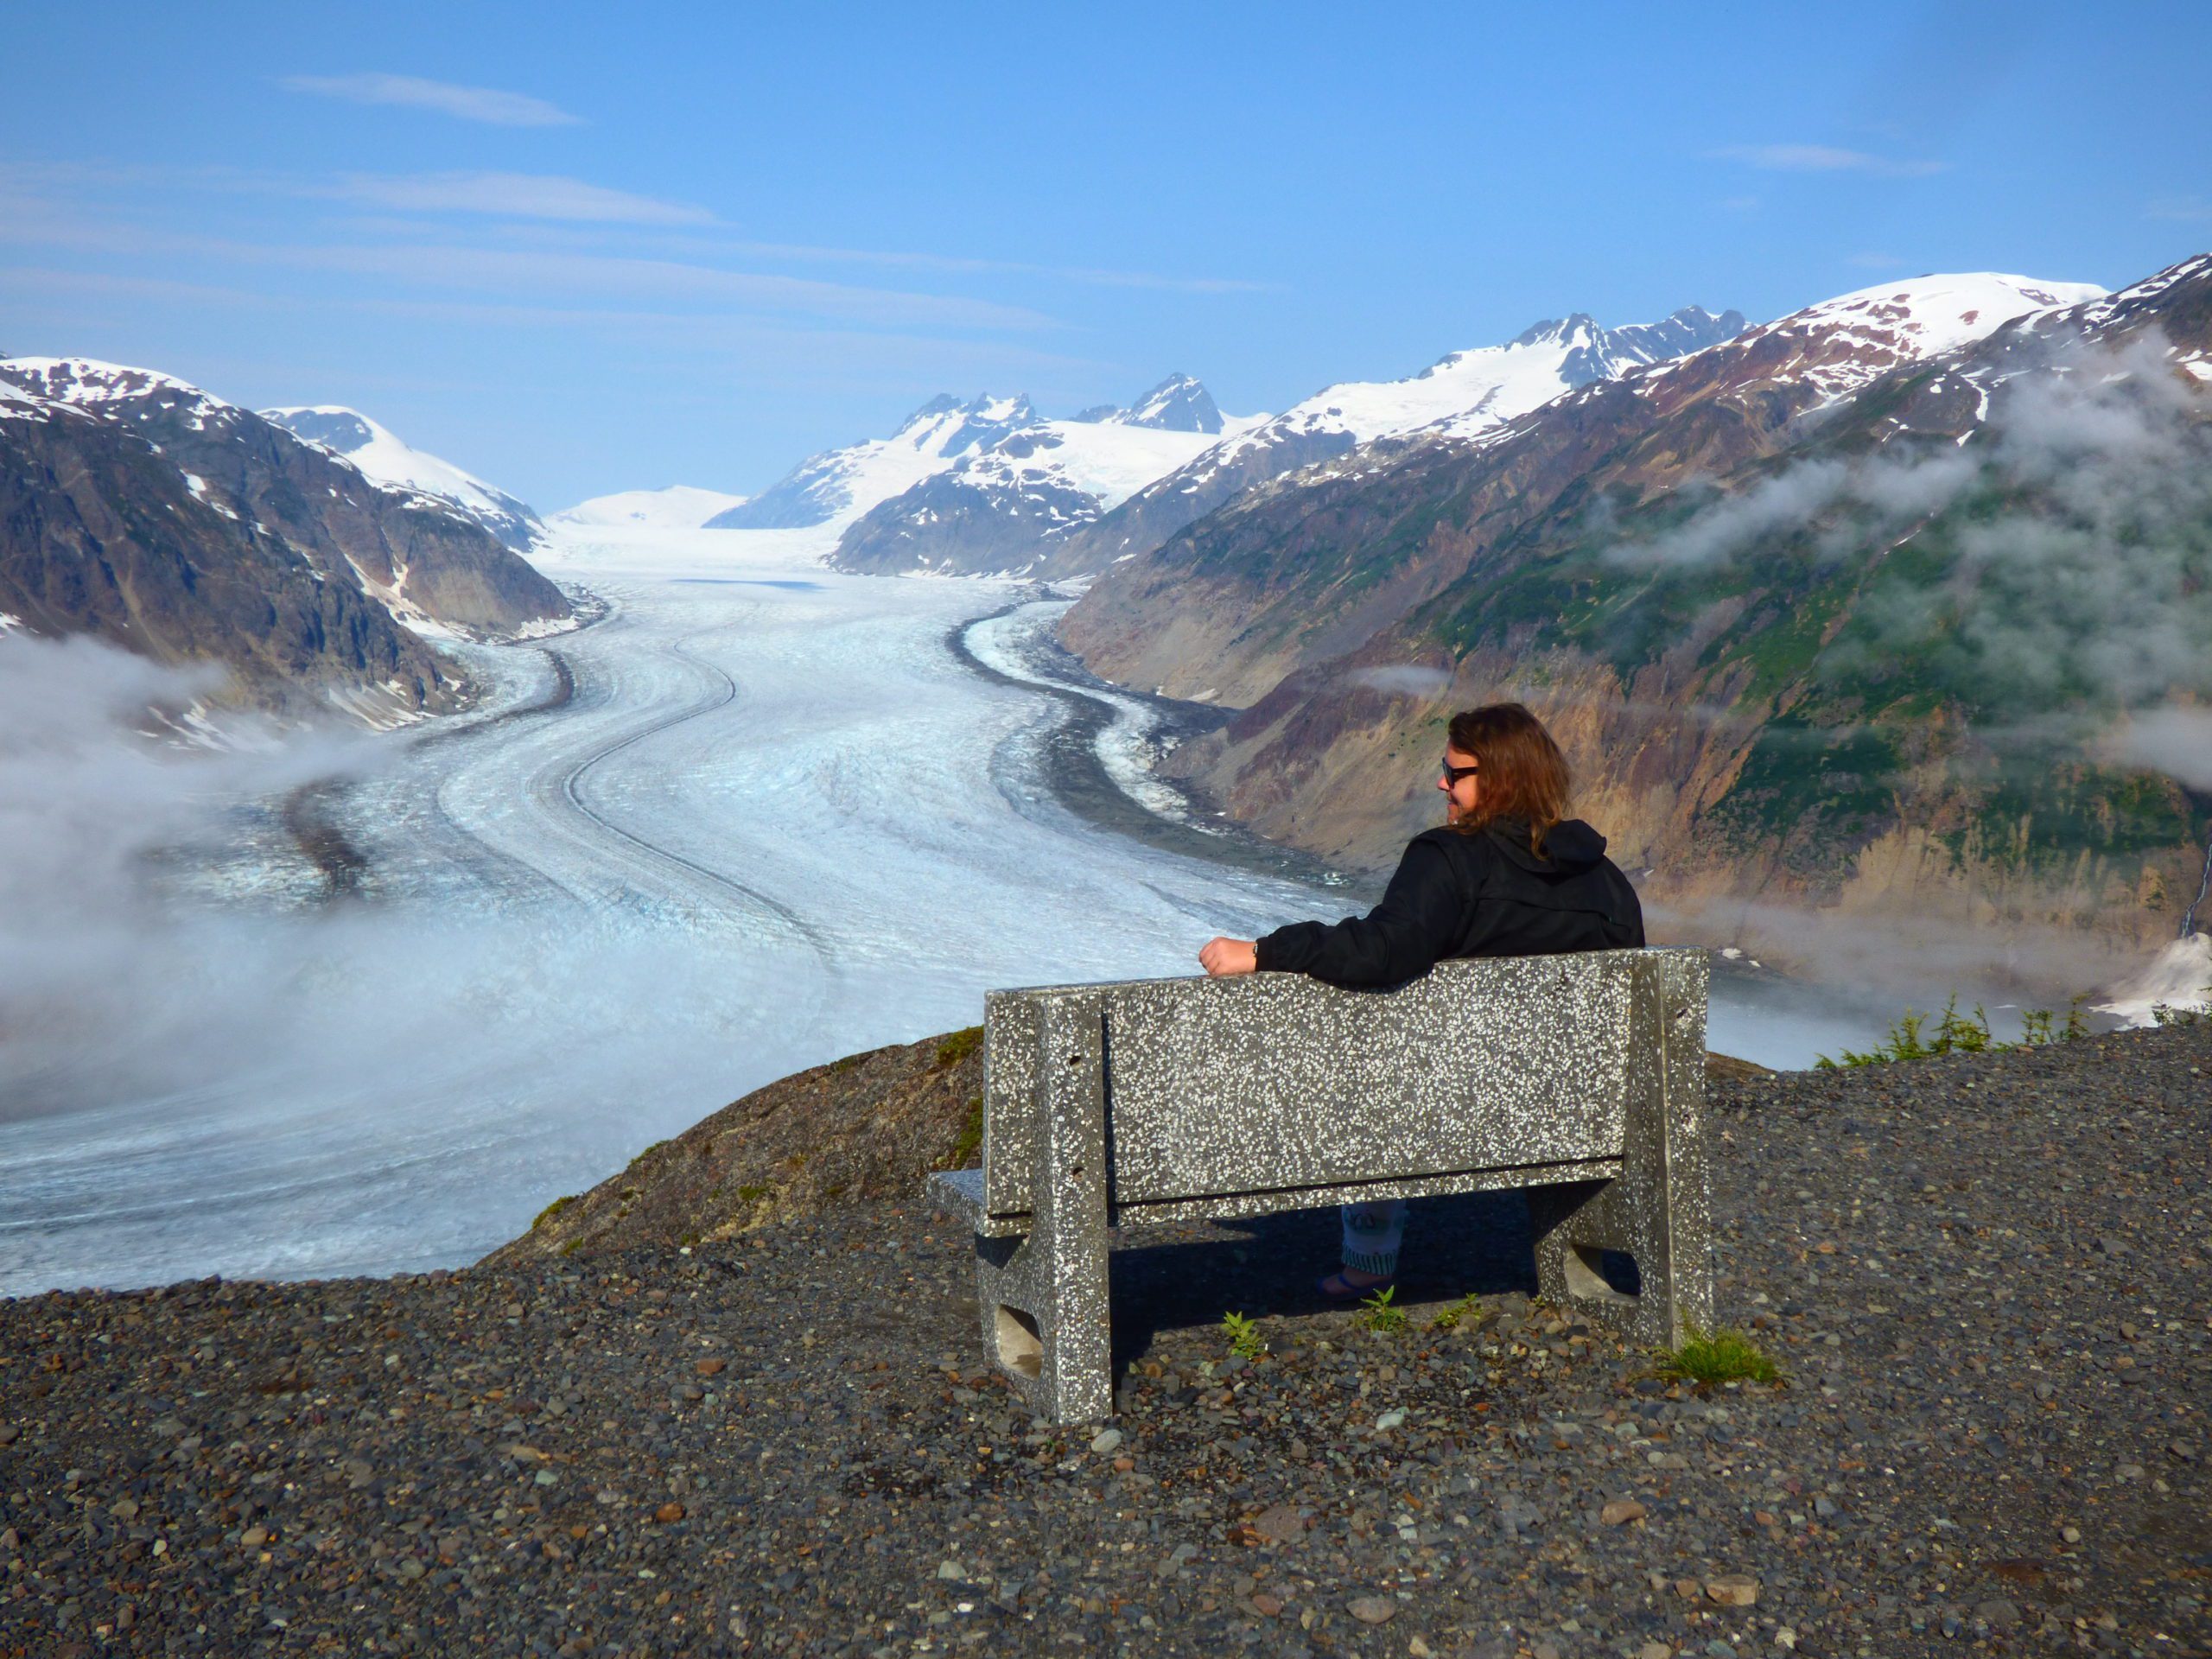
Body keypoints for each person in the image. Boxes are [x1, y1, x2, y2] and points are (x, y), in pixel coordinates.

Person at [1197, 701, 1645, 1299]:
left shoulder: (1449, 859)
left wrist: (1263, 951)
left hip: (1435, 1113)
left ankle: (1368, 1263)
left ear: (1500, 779)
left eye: (1455, 773)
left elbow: (1382, 950)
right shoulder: (1607, 882)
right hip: (1571, 1115)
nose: (1442, 782)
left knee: (1370, 1049)